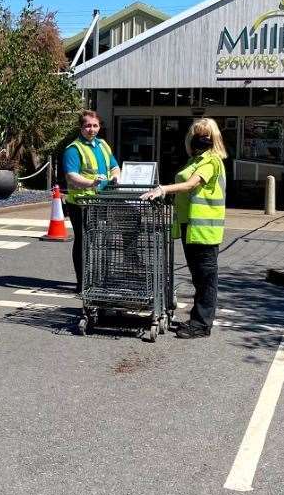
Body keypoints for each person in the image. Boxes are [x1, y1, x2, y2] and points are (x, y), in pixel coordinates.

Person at [140, 118, 227, 339]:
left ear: (214, 138)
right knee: (199, 277)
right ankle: (198, 320)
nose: (202, 138)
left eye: (206, 135)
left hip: (205, 229)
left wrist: (163, 189)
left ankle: (201, 325)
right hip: (191, 226)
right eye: (198, 134)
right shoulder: (194, 160)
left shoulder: (211, 161)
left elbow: (191, 185)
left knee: (206, 278)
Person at [63, 110, 121, 293]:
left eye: (95, 125)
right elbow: (71, 176)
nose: (92, 129)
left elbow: (114, 166)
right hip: (81, 203)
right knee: (83, 241)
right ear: (81, 127)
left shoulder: (102, 144)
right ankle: (82, 283)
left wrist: (115, 177)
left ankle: (96, 279)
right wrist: (92, 182)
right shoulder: (74, 148)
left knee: (98, 241)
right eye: (88, 125)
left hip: (101, 202)